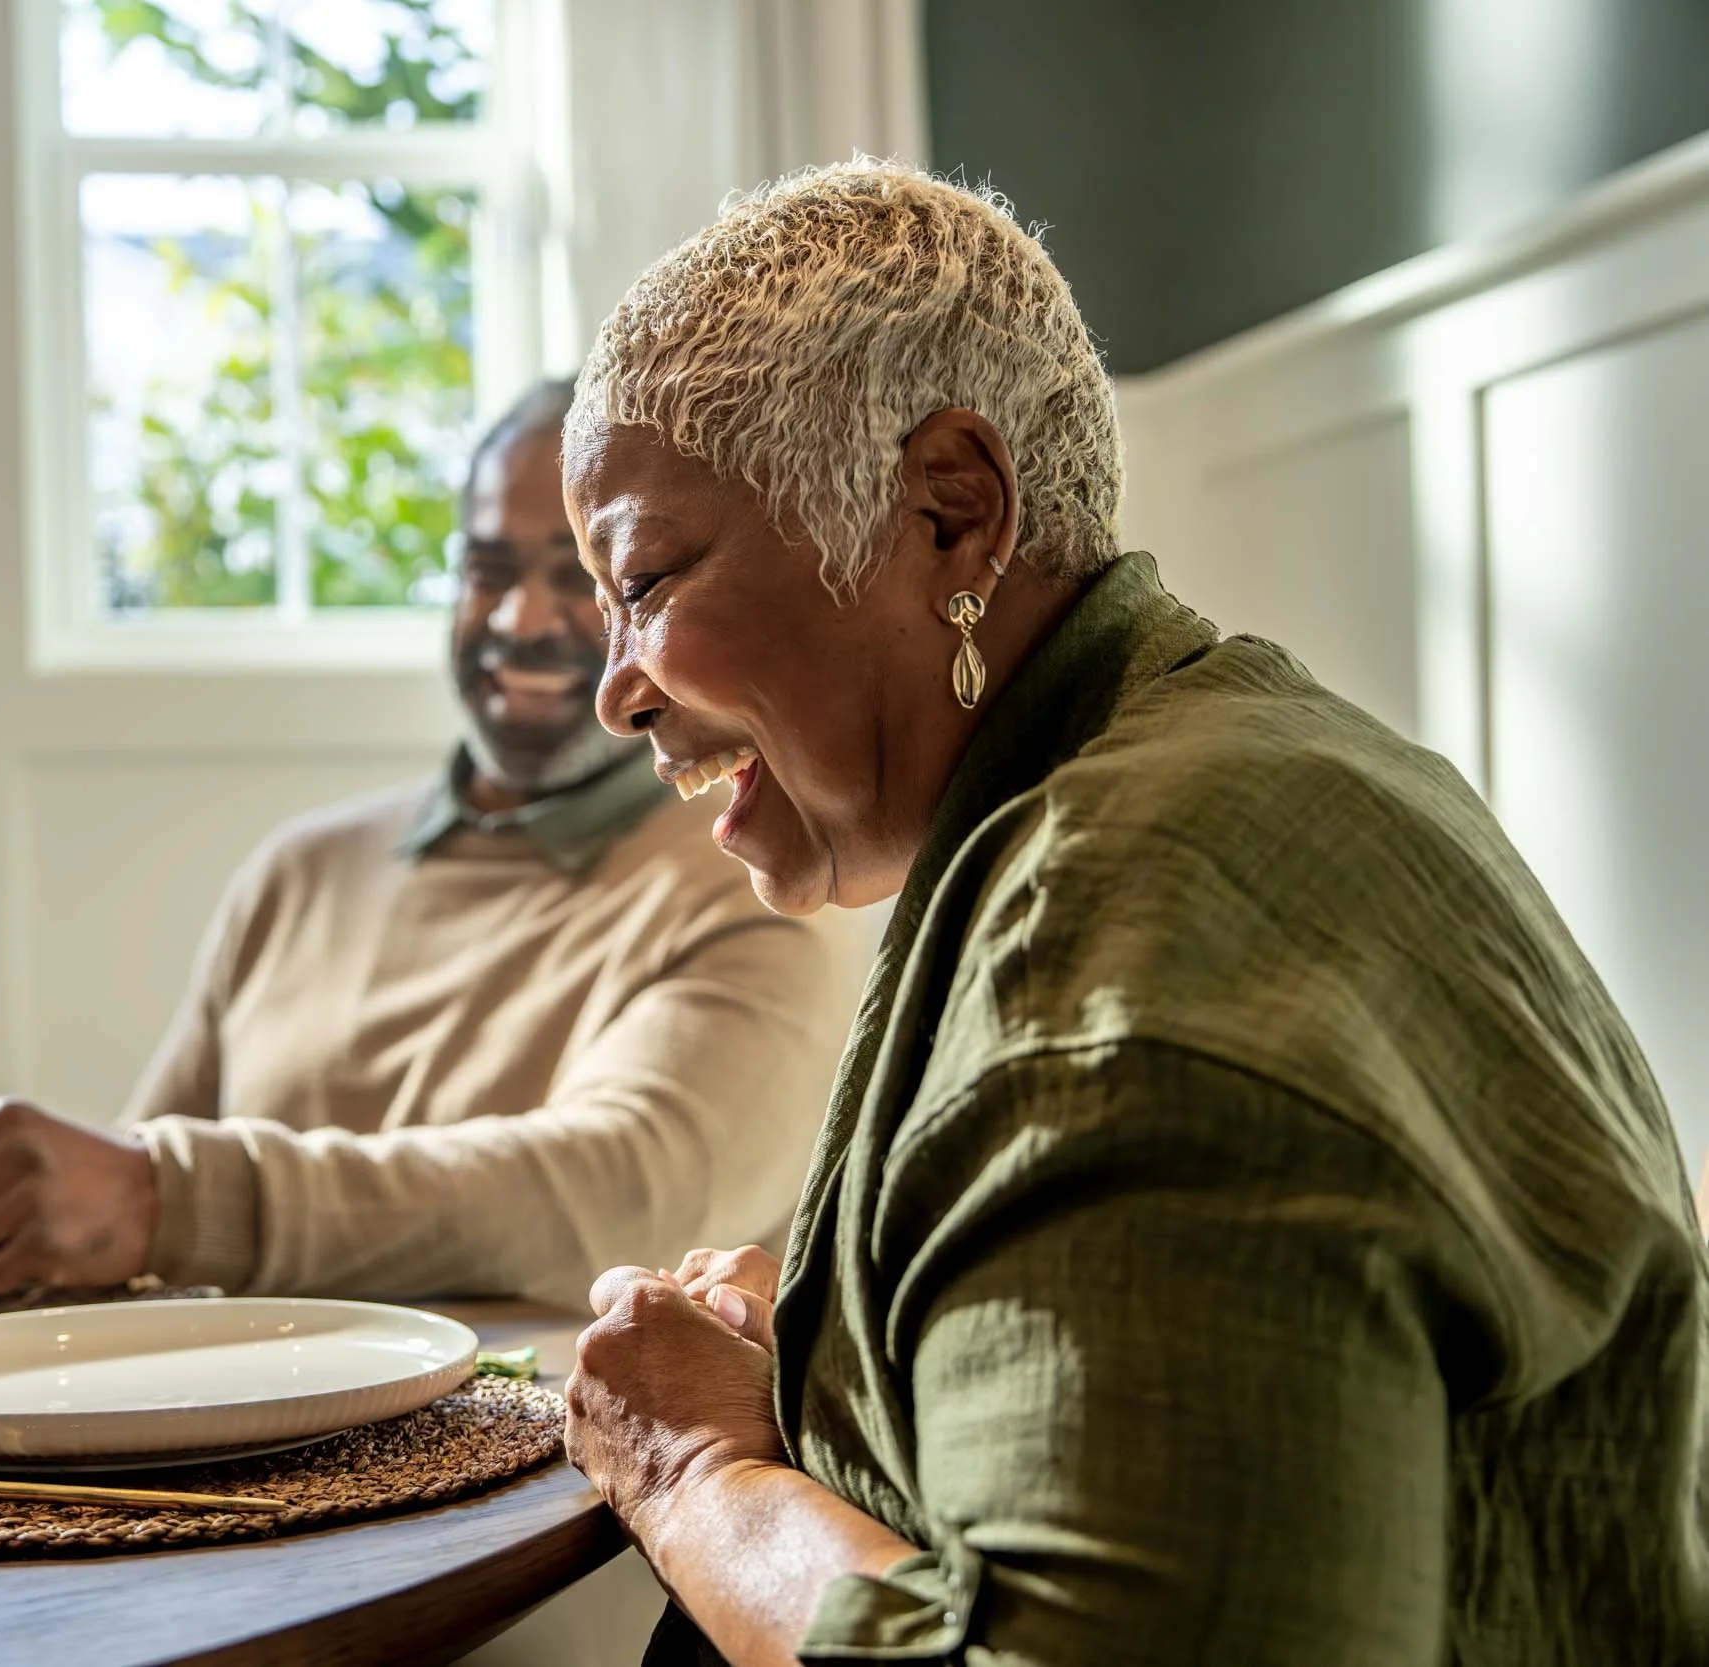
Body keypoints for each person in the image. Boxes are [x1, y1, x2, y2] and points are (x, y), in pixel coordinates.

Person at [557, 162, 1709, 1665]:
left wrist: (694, 1472)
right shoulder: (1242, 755)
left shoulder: (1113, 943)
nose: (615, 687)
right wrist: (863, 1358)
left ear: (951, 512)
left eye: (644, 578)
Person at [0, 381, 864, 1309]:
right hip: (209, 1479)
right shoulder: (304, 869)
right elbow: (129, 1211)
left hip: (526, 1514)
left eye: (582, 579)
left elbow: (622, 1189)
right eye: (486, 569)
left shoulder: (758, 877)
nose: (522, 619)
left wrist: (172, 1196)